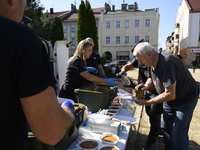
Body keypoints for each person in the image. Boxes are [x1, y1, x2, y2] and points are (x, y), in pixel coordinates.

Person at [0, 0, 74, 149]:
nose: (23, 18)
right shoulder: (21, 38)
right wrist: (68, 111)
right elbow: (51, 131)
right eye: (24, 6)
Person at [133, 42, 199, 150]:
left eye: (140, 60)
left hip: (185, 99)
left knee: (178, 134)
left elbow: (170, 94)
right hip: (170, 100)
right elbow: (151, 78)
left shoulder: (167, 62)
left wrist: (148, 102)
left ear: (149, 54)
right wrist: (145, 86)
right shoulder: (152, 62)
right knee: (166, 128)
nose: (139, 63)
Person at [118, 57, 162, 150]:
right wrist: (123, 71)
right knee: (149, 112)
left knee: (154, 115)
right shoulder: (139, 58)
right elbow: (127, 66)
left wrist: (143, 87)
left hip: (155, 91)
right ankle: (157, 128)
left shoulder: (153, 62)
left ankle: (152, 141)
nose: (139, 61)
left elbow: (151, 81)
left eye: (141, 59)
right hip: (146, 89)